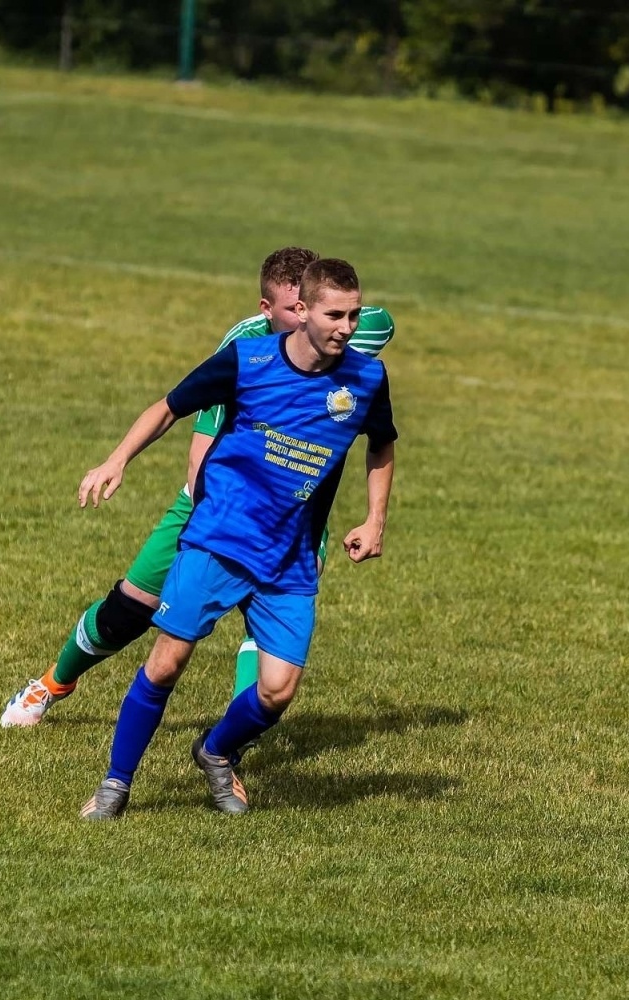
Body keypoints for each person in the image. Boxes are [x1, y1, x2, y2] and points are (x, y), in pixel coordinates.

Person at [0, 247, 395, 728]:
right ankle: (52, 684)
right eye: (290, 311)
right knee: (129, 610)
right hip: (211, 507)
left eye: (311, 310)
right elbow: (198, 446)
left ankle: (229, 755)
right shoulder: (245, 350)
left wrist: (372, 517)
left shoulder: (344, 333)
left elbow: (378, 326)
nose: (307, 322)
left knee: (266, 636)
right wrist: (126, 465)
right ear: (266, 311)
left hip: (295, 523)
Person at [76, 258, 396, 819]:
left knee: (277, 691)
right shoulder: (248, 361)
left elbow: (381, 443)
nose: (347, 327)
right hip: (219, 537)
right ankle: (115, 784)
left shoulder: (367, 379)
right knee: (167, 663)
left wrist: (375, 520)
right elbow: (169, 408)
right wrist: (117, 459)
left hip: (290, 555)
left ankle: (215, 751)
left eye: (354, 314)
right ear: (303, 313)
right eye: (334, 315)